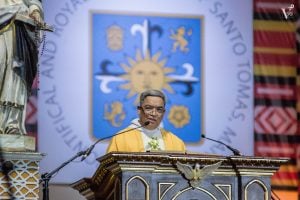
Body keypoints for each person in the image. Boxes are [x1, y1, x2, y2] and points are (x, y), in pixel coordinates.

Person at [0, 0, 43, 134]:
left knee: (16, 76)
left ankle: (12, 124)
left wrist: (35, 11)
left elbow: (34, 3)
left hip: (20, 35)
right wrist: (15, 10)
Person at [107, 89, 186, 152]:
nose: (154, 113)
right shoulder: (121, 138)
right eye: (148, 108)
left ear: (164, 113)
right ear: (139, 110)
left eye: (159, 109)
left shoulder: (176, 142)